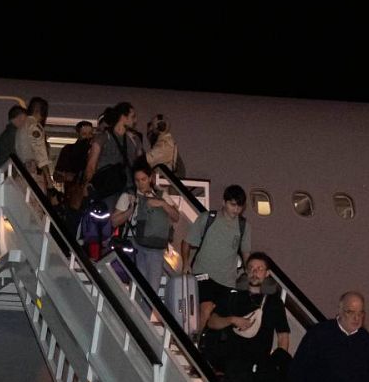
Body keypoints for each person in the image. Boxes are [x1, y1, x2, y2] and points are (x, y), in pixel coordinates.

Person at [201, 253, 292, 382]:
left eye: (259, 269)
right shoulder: (233, 297)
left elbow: (283, 334)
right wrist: (232, 320)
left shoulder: (274, 302)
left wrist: (278, 362)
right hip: (236, 361)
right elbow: (212, 322)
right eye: (251, 268)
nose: (254, 272)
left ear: (267, 273)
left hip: (263, 363)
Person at [112, 161, 180, 292]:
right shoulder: (129, 196)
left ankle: (146, 305)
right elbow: (114, 221)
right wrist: (131, 210)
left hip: (156, 246)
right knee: (138, 287)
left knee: (151, 288)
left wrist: (162, 204)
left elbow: (176, 217)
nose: (140, 183)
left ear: (150, 178)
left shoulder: (161, 195)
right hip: (134, 244)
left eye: (143, 179)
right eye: (137, 180)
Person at [185, 184, 251, 315]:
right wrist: (186, 263)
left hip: (227, 280)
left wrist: (249, 272)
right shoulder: (207, 218)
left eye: (240, 206)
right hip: (203, 274)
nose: (236, 209)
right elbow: (187, 242)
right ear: (224, 202)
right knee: (206, 308)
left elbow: (246, 252)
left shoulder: (244, 226)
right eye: (233, 205)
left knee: (220, 317)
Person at [83, 102, 142, 207]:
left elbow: (91, 165)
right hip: (124, 189)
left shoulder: (103, 137)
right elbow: (140, 165)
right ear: (123, 117)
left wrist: (87, 185)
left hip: (108, 189)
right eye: (132, 117)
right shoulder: (134, 140)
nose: (135, 121)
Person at [55, 121, 96, 211]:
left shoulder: (94, 151)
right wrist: (67, 177)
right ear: (78, 134)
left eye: (90, 133)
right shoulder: (68, 150)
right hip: (73, 196)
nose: (88, 137)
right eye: (84, 134)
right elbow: (57, 175)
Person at [18, 96, 52, 187]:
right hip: (32, 173)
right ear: (39, 111)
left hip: (20, 170)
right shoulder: (35, 127)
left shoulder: (21, 124)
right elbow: (40, 154)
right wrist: (49, 180)